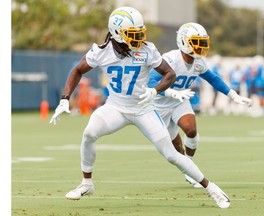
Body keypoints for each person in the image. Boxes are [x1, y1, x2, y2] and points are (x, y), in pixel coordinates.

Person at [50, 7, 230, 208]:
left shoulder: (146, 50)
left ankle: (211, 188)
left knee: (171, 154)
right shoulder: (101, 52)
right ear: (117, 33)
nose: (139, 39)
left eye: (139, 33)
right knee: (89, 133)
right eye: (133, 35)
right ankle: (86, 183)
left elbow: (169, 74)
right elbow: (77, 70)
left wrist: (155, 90)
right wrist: (65, 99)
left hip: (144, 108)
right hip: (115, 108)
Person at [148, 22, 252, 188]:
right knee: (175, 148)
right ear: (184, 41)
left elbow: (213, 78)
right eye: (196, 42)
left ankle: (191, 167)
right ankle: (187, 169)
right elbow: (150, 81)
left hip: (180, 101)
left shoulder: (198, 61)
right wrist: (171, 92)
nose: (201, 46)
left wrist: (233, 95)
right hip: (159, 105)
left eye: (202, 42)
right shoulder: (170, 59)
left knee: (191, 130)